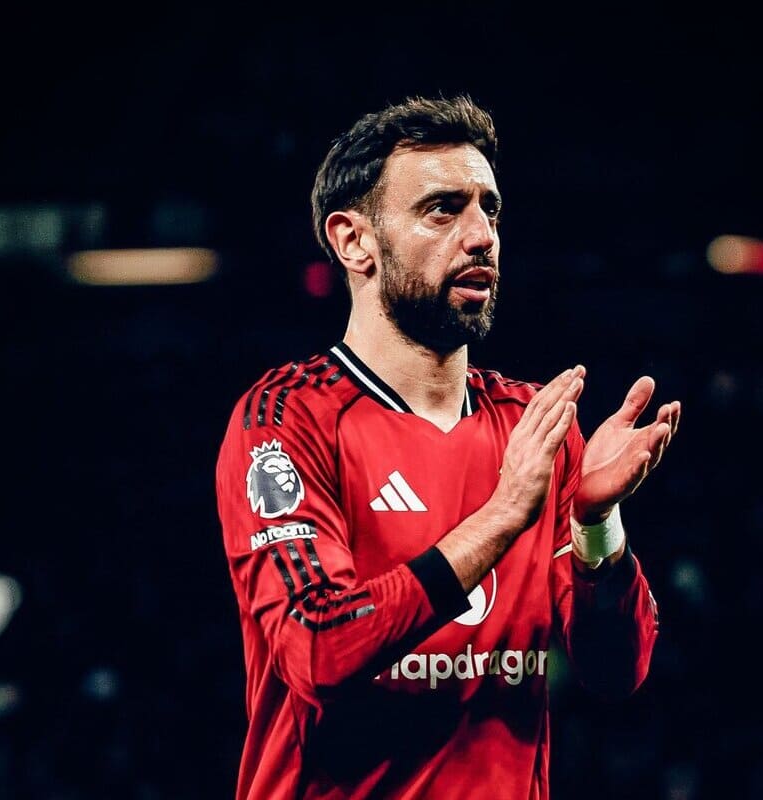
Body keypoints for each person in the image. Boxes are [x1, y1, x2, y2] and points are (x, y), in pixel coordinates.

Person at [214, 94, 681, 800]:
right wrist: (502, 517)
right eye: (442, 210)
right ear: (354, 241)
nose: (481, 236)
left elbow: (616, 674)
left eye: (489, 210)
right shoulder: (286, 419)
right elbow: (317, 646)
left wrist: (595, 526)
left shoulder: (534, 425)